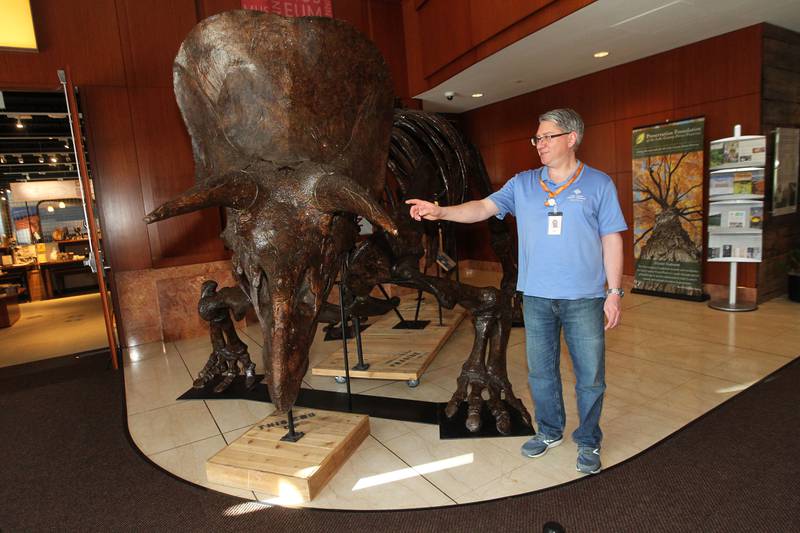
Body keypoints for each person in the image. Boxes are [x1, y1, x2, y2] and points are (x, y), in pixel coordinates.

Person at [407, 108, 626, 475]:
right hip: (537, 297)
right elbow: (482, 207)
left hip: (584, 298)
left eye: (547, 137)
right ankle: (551, 431)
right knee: (541, 373)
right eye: (536, 138)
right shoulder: (522, 184)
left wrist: (615, 291)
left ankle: (588, 440)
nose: (539, 144)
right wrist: (441, 212)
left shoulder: (599, 184)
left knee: (590, 377)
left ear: (571, 138)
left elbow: (611, 239)